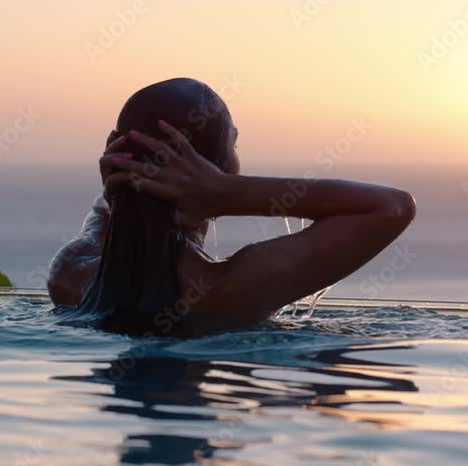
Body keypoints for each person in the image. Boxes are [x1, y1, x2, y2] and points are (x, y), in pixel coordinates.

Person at [48, 78, 415, 336]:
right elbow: (391, 207)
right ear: (215, 170)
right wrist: (227, 193)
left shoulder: (70, 275)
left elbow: (105, 221)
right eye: (234, 145)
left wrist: (125, 183)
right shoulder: (227, 290)